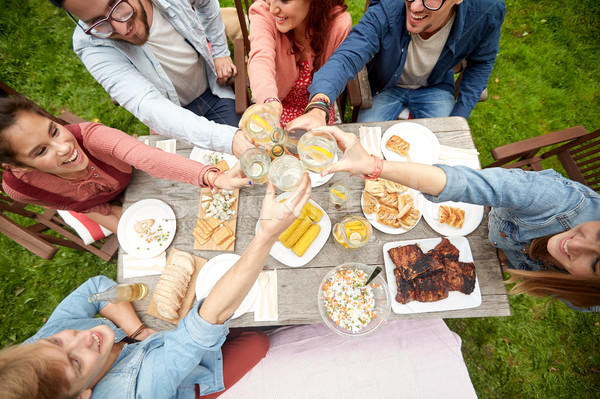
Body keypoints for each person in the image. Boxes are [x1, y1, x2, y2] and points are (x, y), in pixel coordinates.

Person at [0, 173, 312, 399]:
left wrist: (136, 331)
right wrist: (266, 235)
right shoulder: (139, 391)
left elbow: (94, 287)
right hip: (175, 385)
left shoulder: (38, 351)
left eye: (57, 342)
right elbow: (205, 323)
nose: (80, 338)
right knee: (257, 342)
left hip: (150, 341)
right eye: (76, 362)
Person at [318, 125, 600, 311]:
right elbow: (464, 183)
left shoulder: (586, 300)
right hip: (496, 226)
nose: (576, 246)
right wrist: (373, 165)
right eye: (599, 236)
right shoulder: (553, 199)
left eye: (597, 263)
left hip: (501, 255)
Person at [0, 97, 250, 233]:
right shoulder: (20, 189)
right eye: (41, 151)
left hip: (138, 179)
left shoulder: (92, 137)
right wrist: (107, 212)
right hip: (103, 205)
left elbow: (146, 157)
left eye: (54, 131)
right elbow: (67, 203)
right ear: (20, 166)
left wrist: (212, 177)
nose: (64, 147)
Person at [48, 0, 254, 157]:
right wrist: (229, 140)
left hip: (214, 90)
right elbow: (149, 106)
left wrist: (219, 52)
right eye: (96, 22)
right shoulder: (89, 44)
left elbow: (206, 4)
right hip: (172, 119)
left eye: (117, 5)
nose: (121, 29)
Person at [287, 0, 506, 130]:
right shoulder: (388, 7)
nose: (416, 7)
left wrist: (459, 117)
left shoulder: (488, 11)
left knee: (441, 155)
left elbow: (482, 61)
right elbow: (347, 55)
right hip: (385, 86)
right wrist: (319, 107)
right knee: (365, 150)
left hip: (435, 87)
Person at [247, 0, 351, 126]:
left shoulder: (338, 23)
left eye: (284, 0)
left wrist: (318, 109)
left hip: (319, 108)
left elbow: (336, 73)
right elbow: (261, 60)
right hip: (277, 106)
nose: (273, 9)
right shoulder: (263, 12)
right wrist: (269, 102)